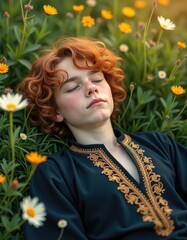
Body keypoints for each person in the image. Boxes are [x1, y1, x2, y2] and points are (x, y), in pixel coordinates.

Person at [19, 37, 187, 240]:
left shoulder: (160, 144)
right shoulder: (56, 175)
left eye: (97, 79)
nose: (91, 88)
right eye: (72, 87)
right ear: (55, 111)